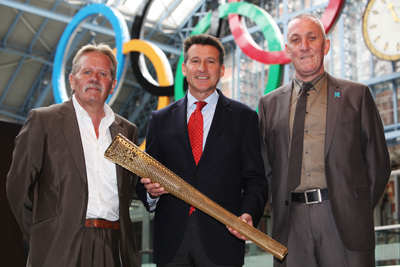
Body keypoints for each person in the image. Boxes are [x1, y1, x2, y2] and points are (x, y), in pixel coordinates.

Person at [258, 13, 391, 267]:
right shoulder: (268, 105)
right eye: (296, 40)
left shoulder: (357, 95)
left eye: (312, 37)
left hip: (343, 222)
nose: (304, 46)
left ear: (326, 45)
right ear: (288, 50)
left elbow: (378, 164)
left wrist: (354, 209)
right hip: (290, 225)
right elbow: (264, 169)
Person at [135, 34, 268, 267]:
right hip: (171, 241)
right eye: (195, 61)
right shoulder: (160, 119)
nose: (202, 68)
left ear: (222, 69)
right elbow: (144, 176)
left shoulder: (244, 118)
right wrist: (150, 192)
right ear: (185, 68)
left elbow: (255, 179)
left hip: (223, 241)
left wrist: (249, 214)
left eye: (211, 61)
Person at [7, 43, 139, 267]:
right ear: (72, 80)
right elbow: (17, 188)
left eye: (103, 74)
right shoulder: (44, 120)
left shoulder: (128, 131)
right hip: (58, 248)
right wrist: (43, 233)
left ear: (113, 84)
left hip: (113, 247)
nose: (94, 78)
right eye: (87, 71)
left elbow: (127, 192)